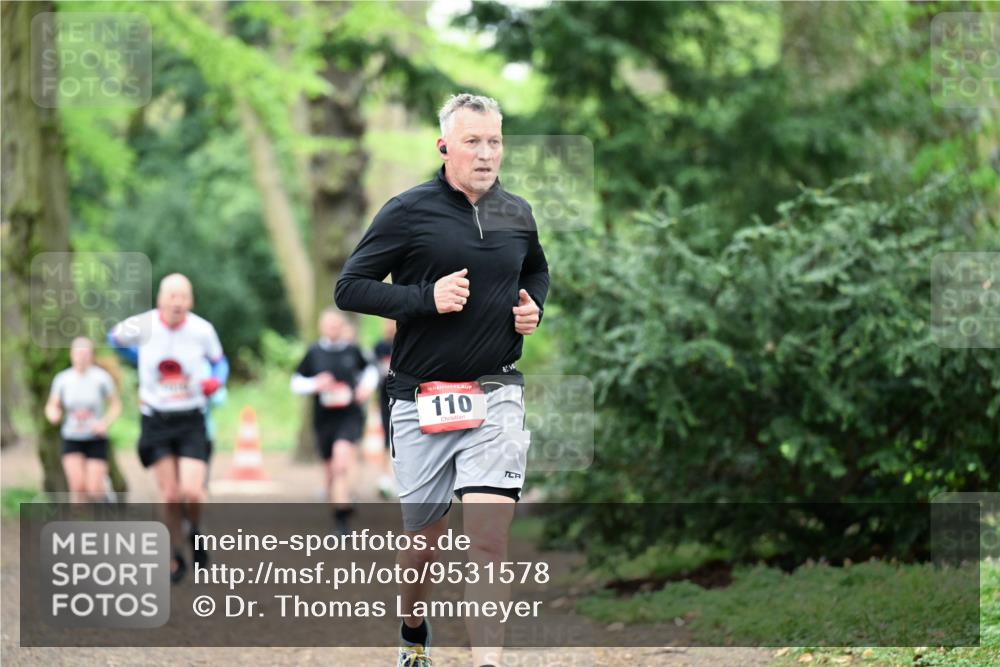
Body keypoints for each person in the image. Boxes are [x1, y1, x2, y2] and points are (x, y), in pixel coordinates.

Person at [335, 93, 549, 667]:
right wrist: (422, 299)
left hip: (496, 391)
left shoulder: (517, 213)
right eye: (473, 141)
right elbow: (349, 287)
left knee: (488, 539)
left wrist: (534, 309)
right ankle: (412, 630)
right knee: (422, 546)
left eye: (494, 141)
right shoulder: (407, 211)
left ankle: (488, 662)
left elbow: (535, 270)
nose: (486, 153)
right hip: (420, 397)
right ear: (444, 146)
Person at [108, 273, 228, 583]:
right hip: (156, 418)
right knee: (170, 495)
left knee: (192, 492)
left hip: (191, 417)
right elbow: (113, 338)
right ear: (160, 299)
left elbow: (219, 361)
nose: (177, 302)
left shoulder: (202, 330)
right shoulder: (144, 325)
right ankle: (174, 553)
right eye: (171, 296)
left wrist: (216, 380)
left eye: (183, 296)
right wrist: (134, 355)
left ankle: (196, 532)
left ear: (191, 301)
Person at [291, 308, 378, 534]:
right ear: (321, 327)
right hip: (323, 418)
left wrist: (365, 388)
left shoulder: (352, 350)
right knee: (330, 471)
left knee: (341, 464)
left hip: (348, 416)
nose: (332, 329)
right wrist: (315, 384)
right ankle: (338, 509)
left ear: (342, 327)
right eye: (328, 325)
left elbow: (370, 371)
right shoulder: (314, 352)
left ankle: (342, 522)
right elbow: (296, 382)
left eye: (336, 325)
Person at [44, 337, 122, 503]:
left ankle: (104, 496)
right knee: (77, 488)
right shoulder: (62, 379)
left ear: (91, 355)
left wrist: (104, 423)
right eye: (78, 353)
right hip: (72, 436)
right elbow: (52, 405)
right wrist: (53, 414)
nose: (81, 357)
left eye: (85, 353)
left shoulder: (101, 378)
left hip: (95, 438)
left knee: (93, 489)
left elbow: (115, 405)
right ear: (72, 355)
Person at [374, 318, 396, 498]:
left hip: (406, 397)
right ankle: (385, 477)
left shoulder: (405, 342)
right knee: (387, 437)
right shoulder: (379, 347)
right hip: (385, 398)